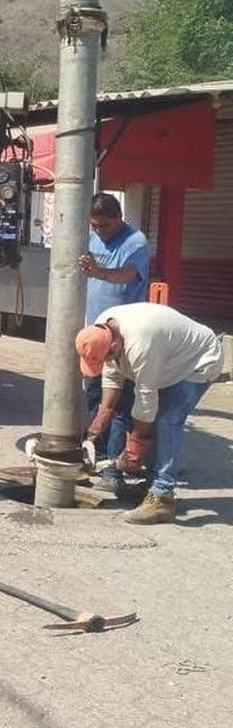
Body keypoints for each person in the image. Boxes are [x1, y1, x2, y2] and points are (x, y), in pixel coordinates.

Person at [75, 302, 223, 524]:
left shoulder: (141, 344)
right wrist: (99, 422)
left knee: (167, 420)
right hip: (169, 363)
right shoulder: (104, 327)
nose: (107, 362)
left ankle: (162, 497)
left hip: (198, 361)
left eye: (107, 357)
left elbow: (145, 401)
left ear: (114, 346)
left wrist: (134, 448)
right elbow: (112, 376)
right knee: (150, 419)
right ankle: (153, 483)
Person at [77, 194, 150, 490]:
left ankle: (114, 469)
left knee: (119, 406)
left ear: (119, 217)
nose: (99, 232)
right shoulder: (92, 237)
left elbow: (127, 276)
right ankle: (100, 456)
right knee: (96, 399)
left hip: (123, 340)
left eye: (104, 226)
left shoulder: (136, 243)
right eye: (94, 227)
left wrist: (99, 272)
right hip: (96, 337)